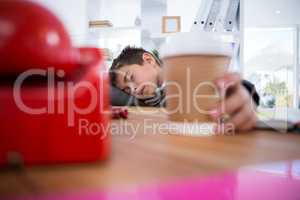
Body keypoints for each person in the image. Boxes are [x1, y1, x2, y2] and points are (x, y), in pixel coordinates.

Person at [109, 46, 259, 132]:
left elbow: (231, 87)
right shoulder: (147, 100)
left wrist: (245, 95)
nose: (133, 90)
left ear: (148, 59)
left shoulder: (188, 70)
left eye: (131, 77)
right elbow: (110, 92)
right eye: (127, 90)